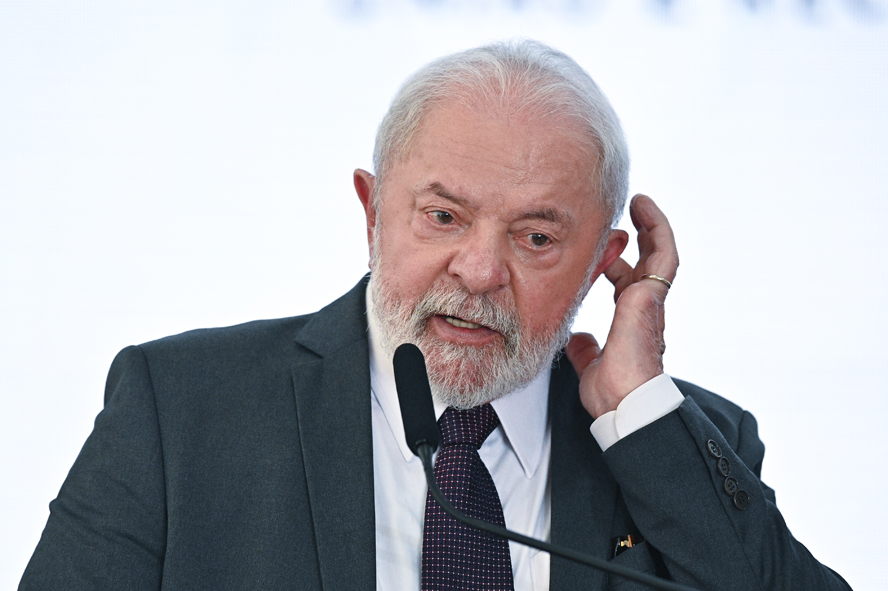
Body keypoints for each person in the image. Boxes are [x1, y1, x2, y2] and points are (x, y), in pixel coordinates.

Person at [19, 40, 850, 591]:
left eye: (535, 235)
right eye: (443, 216)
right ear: (372, 210)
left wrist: (636, 408)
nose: (481, 270)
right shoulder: (181, 407)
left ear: (605, 260)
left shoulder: (680, 445)